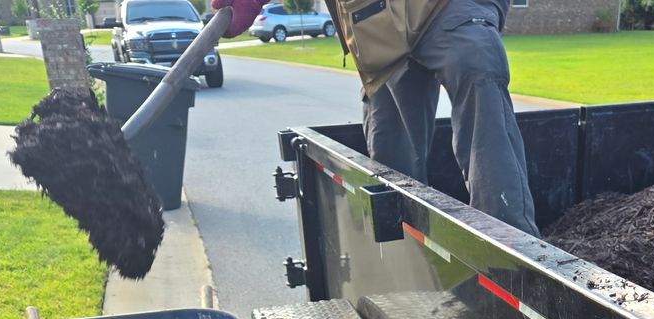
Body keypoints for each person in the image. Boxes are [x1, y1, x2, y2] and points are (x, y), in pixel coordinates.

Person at [211, 0, 539, 236]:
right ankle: (405, 248)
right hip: (379, 21)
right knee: (391, 146)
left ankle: (510, 243)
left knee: (476, 73)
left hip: (450, 7)